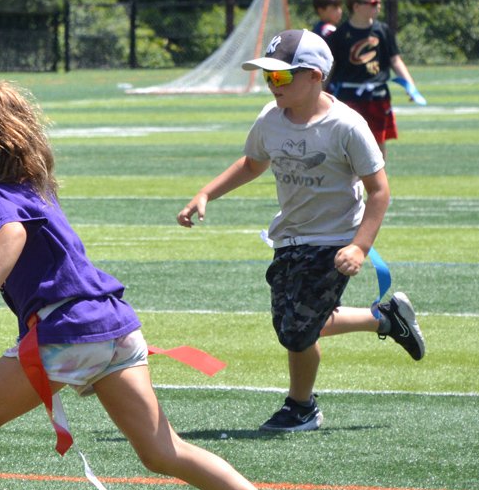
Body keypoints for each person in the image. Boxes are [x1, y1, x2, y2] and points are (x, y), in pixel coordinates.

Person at [0, 80, 320, 490]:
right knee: (163, 450)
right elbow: (46, 256)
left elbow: (11, 238)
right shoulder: (36, 188)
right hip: (114, 324)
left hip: (67, 331)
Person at [178, 29, 425, 435]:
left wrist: (360, 247)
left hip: (334, 240)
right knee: (294, 324)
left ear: (314, 76)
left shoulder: (346, 125)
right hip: (289, 237)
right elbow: (252, 163)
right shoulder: (270, 119)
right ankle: (383, 319)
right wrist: (206, 194)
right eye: (267, 77)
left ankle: (301, 406)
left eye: (280, 77)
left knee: (297, 331)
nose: (271, 85)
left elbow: (379, 191)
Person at [324, 0, 427, 157]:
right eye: (373, 3)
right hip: (348, 98)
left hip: (377, 97)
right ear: (356, 6)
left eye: (379, 2)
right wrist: (319, 91)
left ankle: (379, 184)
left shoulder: (383, 31)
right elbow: (330, 67)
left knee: (377, 144)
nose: (378, 7)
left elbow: (395, 60)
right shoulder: (339, 35)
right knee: (345, 144)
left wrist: (411, 86)